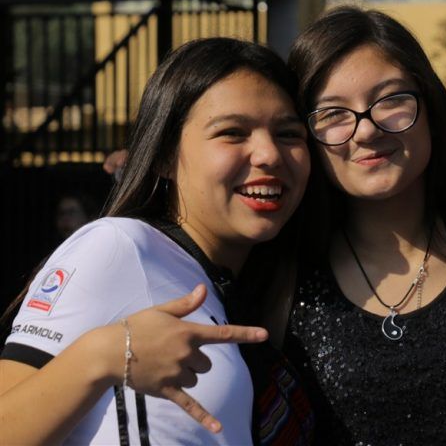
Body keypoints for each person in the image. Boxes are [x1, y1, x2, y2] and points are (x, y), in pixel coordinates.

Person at [0, 38, 313, 445]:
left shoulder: (251, 287)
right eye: (232, 133)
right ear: (164, 155)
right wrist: (105, 354)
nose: (269, 154)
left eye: (288, 133)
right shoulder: (119, 245)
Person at [282, 6, 446, 444]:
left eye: (390, 100)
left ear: (430, 107)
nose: (366, 131)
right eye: (333, 113)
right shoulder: (282, 277)